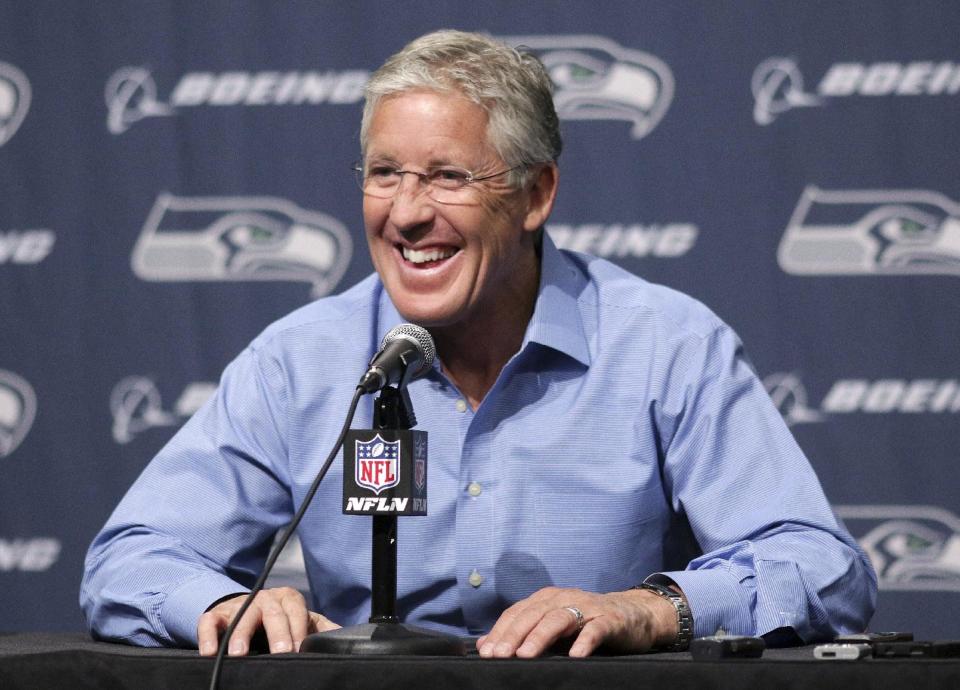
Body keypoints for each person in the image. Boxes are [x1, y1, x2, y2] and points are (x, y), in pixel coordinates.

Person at [81, 30, 876, 659]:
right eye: (384, 173)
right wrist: (222, 604)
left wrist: (651, 608)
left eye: (448, 177)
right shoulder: (300, 360)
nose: (407, 213)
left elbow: (820, 565)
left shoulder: (666, 345)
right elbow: (131, 559)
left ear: (536, 195)